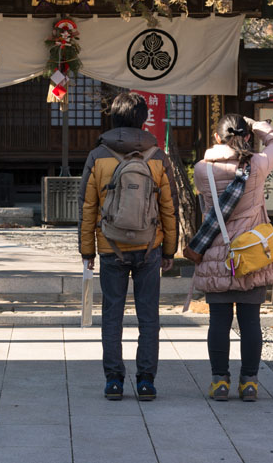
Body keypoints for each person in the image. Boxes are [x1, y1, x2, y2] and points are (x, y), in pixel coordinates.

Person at [79, 92, 178, 401]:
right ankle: (146, 380)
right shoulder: (157, 156)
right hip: (149, 246)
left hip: (111, 247)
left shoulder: (98, 156)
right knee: (149, 316)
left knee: (112, 315)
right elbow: (168, 207)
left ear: (114, 118)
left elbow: (87, 207)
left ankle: (114, 381)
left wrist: (87, 251)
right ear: (141, 119)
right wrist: (169, 250)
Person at [192, 113, 273, 402]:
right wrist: (256, 125)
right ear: (246, 137)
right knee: (250, 321)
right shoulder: (256, 165)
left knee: (218, 321)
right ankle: (250, 383)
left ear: (217, 138)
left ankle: (220, 381)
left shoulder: (201, 169)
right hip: (251, 254)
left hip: (217, 254)